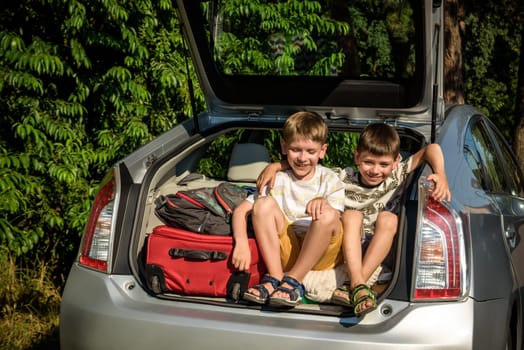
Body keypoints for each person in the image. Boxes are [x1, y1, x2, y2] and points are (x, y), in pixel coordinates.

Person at [257, 123, 451, 316]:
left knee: (389, 219)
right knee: (352, 216)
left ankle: (355, 283)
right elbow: (310, 165)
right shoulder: (343, 177)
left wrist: (441, 174)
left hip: (381, 246)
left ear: (395, 161)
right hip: (348, 244)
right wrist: (276, 165)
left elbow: (432, 148)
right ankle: (358, 285)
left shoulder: (397, 174)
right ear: (357, 156)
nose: (375, 170)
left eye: (383, 164)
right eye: (368, 162)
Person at [231, 111, 345, 307]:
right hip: (288, 250)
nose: (302, 158)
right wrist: (240, 243)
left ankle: (294, 281)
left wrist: (323, 203)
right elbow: (241, 211)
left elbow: (336, 220)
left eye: (310, 151)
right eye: (295, 150)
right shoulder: (275, 180)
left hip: (322, 253)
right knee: (263, 204)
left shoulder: (330, 179)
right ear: (284, 147)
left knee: (327, 214)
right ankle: (275, 277)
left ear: (322, 151)